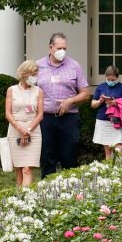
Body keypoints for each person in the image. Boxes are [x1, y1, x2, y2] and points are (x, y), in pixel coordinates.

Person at [35, 33, 89, 176]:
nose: (62, 51)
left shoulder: (74, 66)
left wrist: (70, 101)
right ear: (50, 48)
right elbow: (29, 90)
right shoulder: (38, 66)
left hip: (69, 118)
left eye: (65, 48)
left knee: (69, 155)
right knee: (47, 156)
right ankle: (46, 189)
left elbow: (85, 93)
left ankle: (70, 189)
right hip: (45, 118)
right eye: (59, 48)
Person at [4, 59, 44, 189]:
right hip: (15, 130)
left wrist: (28, 129)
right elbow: (8, 113)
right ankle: (18, 198)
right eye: (32, 74)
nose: (35, 77)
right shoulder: (12, 90)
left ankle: (26, 197)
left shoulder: (39, 91)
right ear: (24, 74)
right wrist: (20, 128)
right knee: (19, 169)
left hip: (33, 130)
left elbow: (40, 114)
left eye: (36, 74)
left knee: (27, 169)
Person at [91, 65, 122, 160]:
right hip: (103, 120)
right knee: (107, 149)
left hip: (118, 121)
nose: (110, 82)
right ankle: (109, 171)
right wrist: (100, 101)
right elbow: (93, 104)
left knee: (119, 147)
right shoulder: (101, 87)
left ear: (117, 77)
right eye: (108, 79)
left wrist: (117, 103)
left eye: (113, 80)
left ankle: (120, 168)